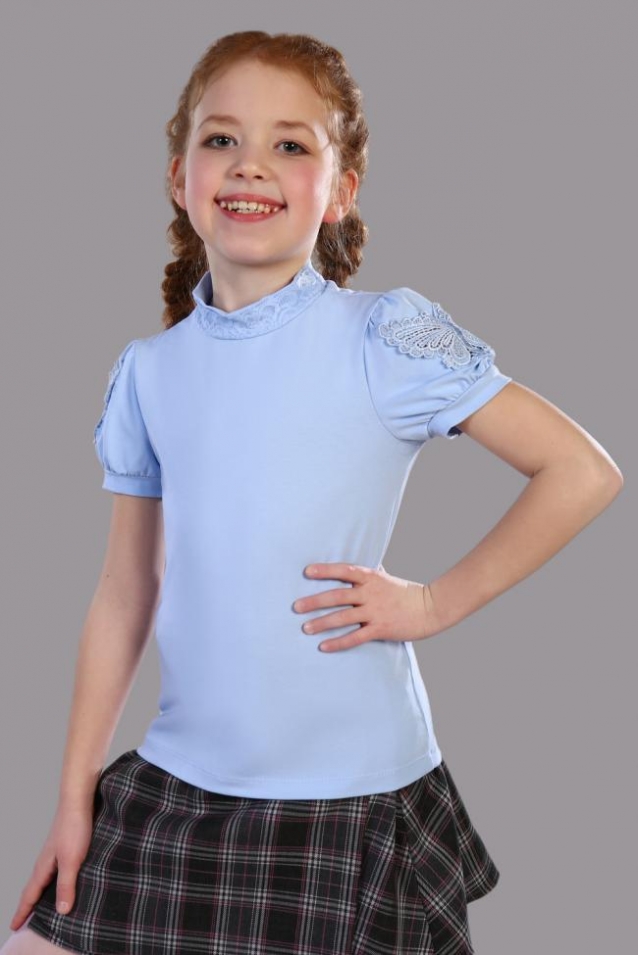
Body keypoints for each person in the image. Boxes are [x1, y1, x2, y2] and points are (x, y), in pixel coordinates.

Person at [2, 28, 623, 955]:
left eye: (290, 144)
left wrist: (433, 602)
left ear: (341, 190)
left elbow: (581, 470)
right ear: (179, 177)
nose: (250, 163)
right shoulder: (149, 371)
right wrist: (71, 799)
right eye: (222, 138)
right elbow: (125, 593)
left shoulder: (384, 336)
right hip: (182, 785)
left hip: (348, 798)